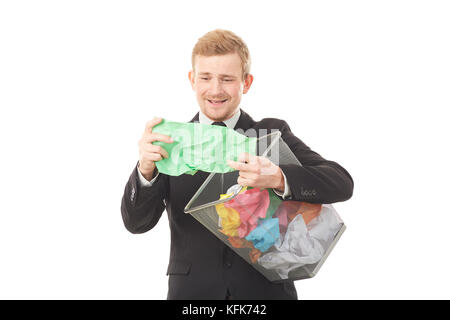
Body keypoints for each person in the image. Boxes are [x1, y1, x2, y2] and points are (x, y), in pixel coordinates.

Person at [121, 29, 353, 300]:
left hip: (264, 294)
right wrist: (145, 171)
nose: (215, 89)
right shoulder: (171, 143)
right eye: (206, 77)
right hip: (193, 296)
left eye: (227, 79)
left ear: (246, 82)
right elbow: (136, 224)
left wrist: (278, 177)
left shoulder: (270, 135)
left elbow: (341, 183)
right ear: (192, 80)